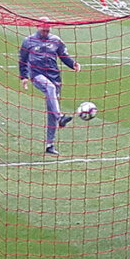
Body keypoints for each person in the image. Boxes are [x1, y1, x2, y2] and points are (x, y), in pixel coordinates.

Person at [18, 18, 80, 156]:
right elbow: (22, 60)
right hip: (37, 75)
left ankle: (49, 145)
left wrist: (73, 64)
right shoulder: (28, 41)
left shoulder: (56, 40)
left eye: (48, 30)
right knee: (49, 88)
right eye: (43, 29)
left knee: (51, 110)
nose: (46, 32)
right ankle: (60, 118)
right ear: (37, 26)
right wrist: (24, 77)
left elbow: (64, 55)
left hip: (55, 77)